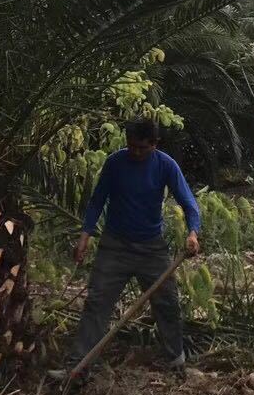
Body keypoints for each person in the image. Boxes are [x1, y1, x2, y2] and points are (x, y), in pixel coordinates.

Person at [59, 117, 201, 377]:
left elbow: (189, 203)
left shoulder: (165, 166)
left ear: (155, 144)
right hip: (115, 246)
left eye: (142, 148)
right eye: (131, 146)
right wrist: (85, 236)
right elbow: (97, 200)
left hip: (151, 249)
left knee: (167, 302)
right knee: (97, 302)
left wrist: (193, 232)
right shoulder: (115, 163)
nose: (135, 152)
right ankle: (77, 365)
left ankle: (176, 361)